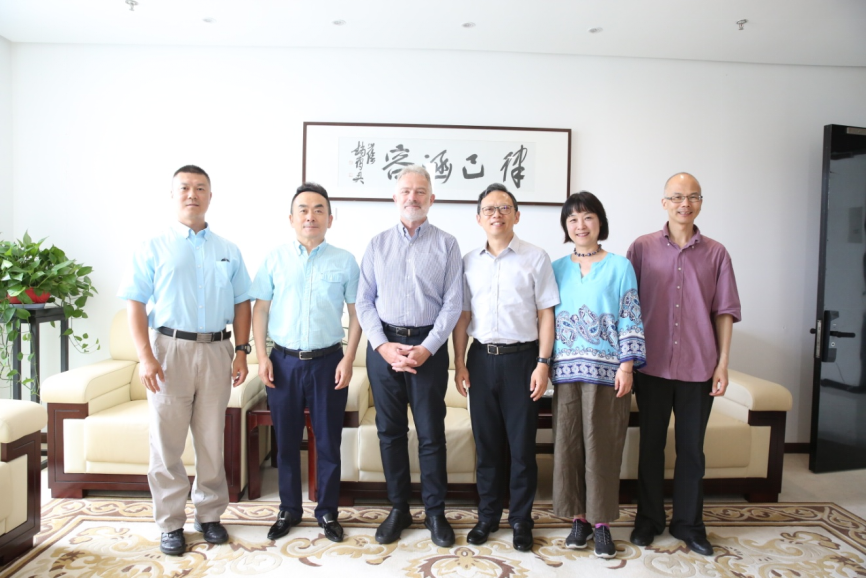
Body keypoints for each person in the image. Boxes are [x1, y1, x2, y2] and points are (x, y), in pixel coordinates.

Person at [118, 165, 252, 556]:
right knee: (167, 443)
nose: (192, 194)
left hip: (216, 351)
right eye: (184, 188)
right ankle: (171, 523)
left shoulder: (229, 250)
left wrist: (241, 351)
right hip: (168, 351)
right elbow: (134, 303)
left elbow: (242, 303)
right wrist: (145, 357)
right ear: (173, 194)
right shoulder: (152, 247)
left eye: (200, 188)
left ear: (210, 196)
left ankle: (209, 516)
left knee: (211, 440)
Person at [626, 172, 741, 556]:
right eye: (676, 197)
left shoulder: (717, 253)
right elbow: (627, 307)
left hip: (698, 367)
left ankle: (689, 524)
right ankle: (649, 520)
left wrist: (722, 364)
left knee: (692, 450)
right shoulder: (641, 248)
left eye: (692, 197)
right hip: (651, 366)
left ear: (700, 203)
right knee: (651, 447)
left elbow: (724, 311)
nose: (684, 204)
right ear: (664, 203)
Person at [355, 165, 463, 547]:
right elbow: (363, 302)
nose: (412, 197)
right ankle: (398, 508)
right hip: (384, 347)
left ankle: (435, 512)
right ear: (395, 197)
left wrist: (427, 348)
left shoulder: (447, 244)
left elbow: (453, 304)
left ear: (431, 198)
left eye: (420, 191)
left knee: (431, 434)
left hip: (428, 348)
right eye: (405, 191)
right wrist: (382, 346)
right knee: (390, 433)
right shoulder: (377, 244)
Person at [249, 182, 361, 543]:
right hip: (282, 363)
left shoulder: (345, 260)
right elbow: (260, 309)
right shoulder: (274, 259)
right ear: (291, 218)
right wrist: (262, 356)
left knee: (328, 441)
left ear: (330, 218)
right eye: (303, 209)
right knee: (285, 442)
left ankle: (327, 511)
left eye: (318, 209)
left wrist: (348, 358)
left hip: (329, 362)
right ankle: (289, 509)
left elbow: (356, 314)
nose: (310, 216)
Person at [453, 183, 558, 552]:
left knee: (521, 447)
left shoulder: (536, 257)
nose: (496, 214)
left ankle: (521, 520)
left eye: (504, 207)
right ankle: (487, 517)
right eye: (489, 209)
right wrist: (459, 362)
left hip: (523, 361)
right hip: (481, 360)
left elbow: (546, 314)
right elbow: (463, 316)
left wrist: (543, 363)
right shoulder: (468, 261)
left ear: (516, 215)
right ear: (479, 218)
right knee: (487, 446)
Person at [550, 191, 647, 558]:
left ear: (600, 222)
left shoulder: (620, 266)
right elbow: (545, 319)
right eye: (572, 219)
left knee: (603, 447)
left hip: (608, 374)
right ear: (566, 227)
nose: (580, 225)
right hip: (566, 374)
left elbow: (630, 315)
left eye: (588, 217)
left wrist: (627, 366)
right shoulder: (556, 268)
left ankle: (602, 522)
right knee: (569, 446)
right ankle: (578, 519)